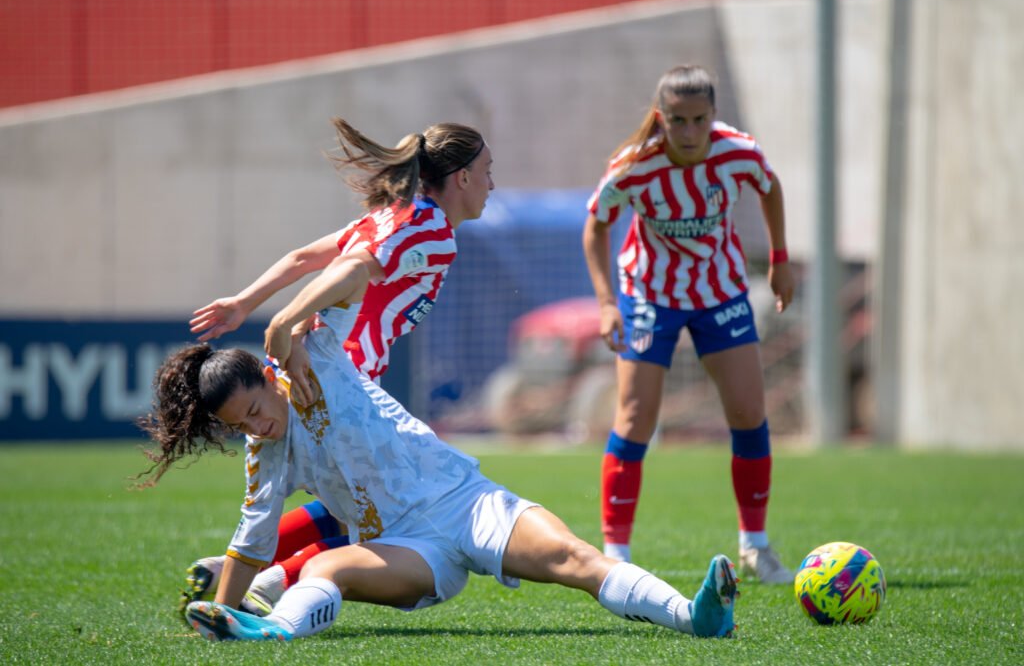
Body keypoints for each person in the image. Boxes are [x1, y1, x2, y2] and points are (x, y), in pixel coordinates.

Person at [135, 274, 740, 643]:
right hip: (406, 550)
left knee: (570, 556)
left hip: (466, 500)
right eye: (241, 426)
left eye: (257, 409)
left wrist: (287, 322)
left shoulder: (315, 353)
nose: (258, 427)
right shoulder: (264, 454)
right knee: (324, 570)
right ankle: (272, 631)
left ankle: (695, 617)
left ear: (270, 376)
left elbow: (357, 272)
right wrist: (219, 613)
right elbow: (251, 538)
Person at [178, 117, 494, 613]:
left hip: (318, 365)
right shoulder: (430, 230)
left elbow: (307, 257)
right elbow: (352, 271)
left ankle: (240, 569)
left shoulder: (390, 214)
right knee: (388, 509)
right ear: (462, 177)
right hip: (345, 372)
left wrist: (244, 301)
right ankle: (276, 576)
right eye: (488, 170)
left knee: (338, 496)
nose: (492, 184)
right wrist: (293, 327)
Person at [581, 64, 796, 584]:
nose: (691, 132)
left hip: (720, 291)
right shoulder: (634, 166)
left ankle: (755, 546)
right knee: (635, 418)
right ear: (662, 118)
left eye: (700, 119)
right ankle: (617, 555)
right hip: (650, 294)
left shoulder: (738, 152)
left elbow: (769, 187)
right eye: (679, 120)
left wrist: (780, 256)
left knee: (748, 412)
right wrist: (608, 302)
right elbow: (596, 226)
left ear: (714, 116)